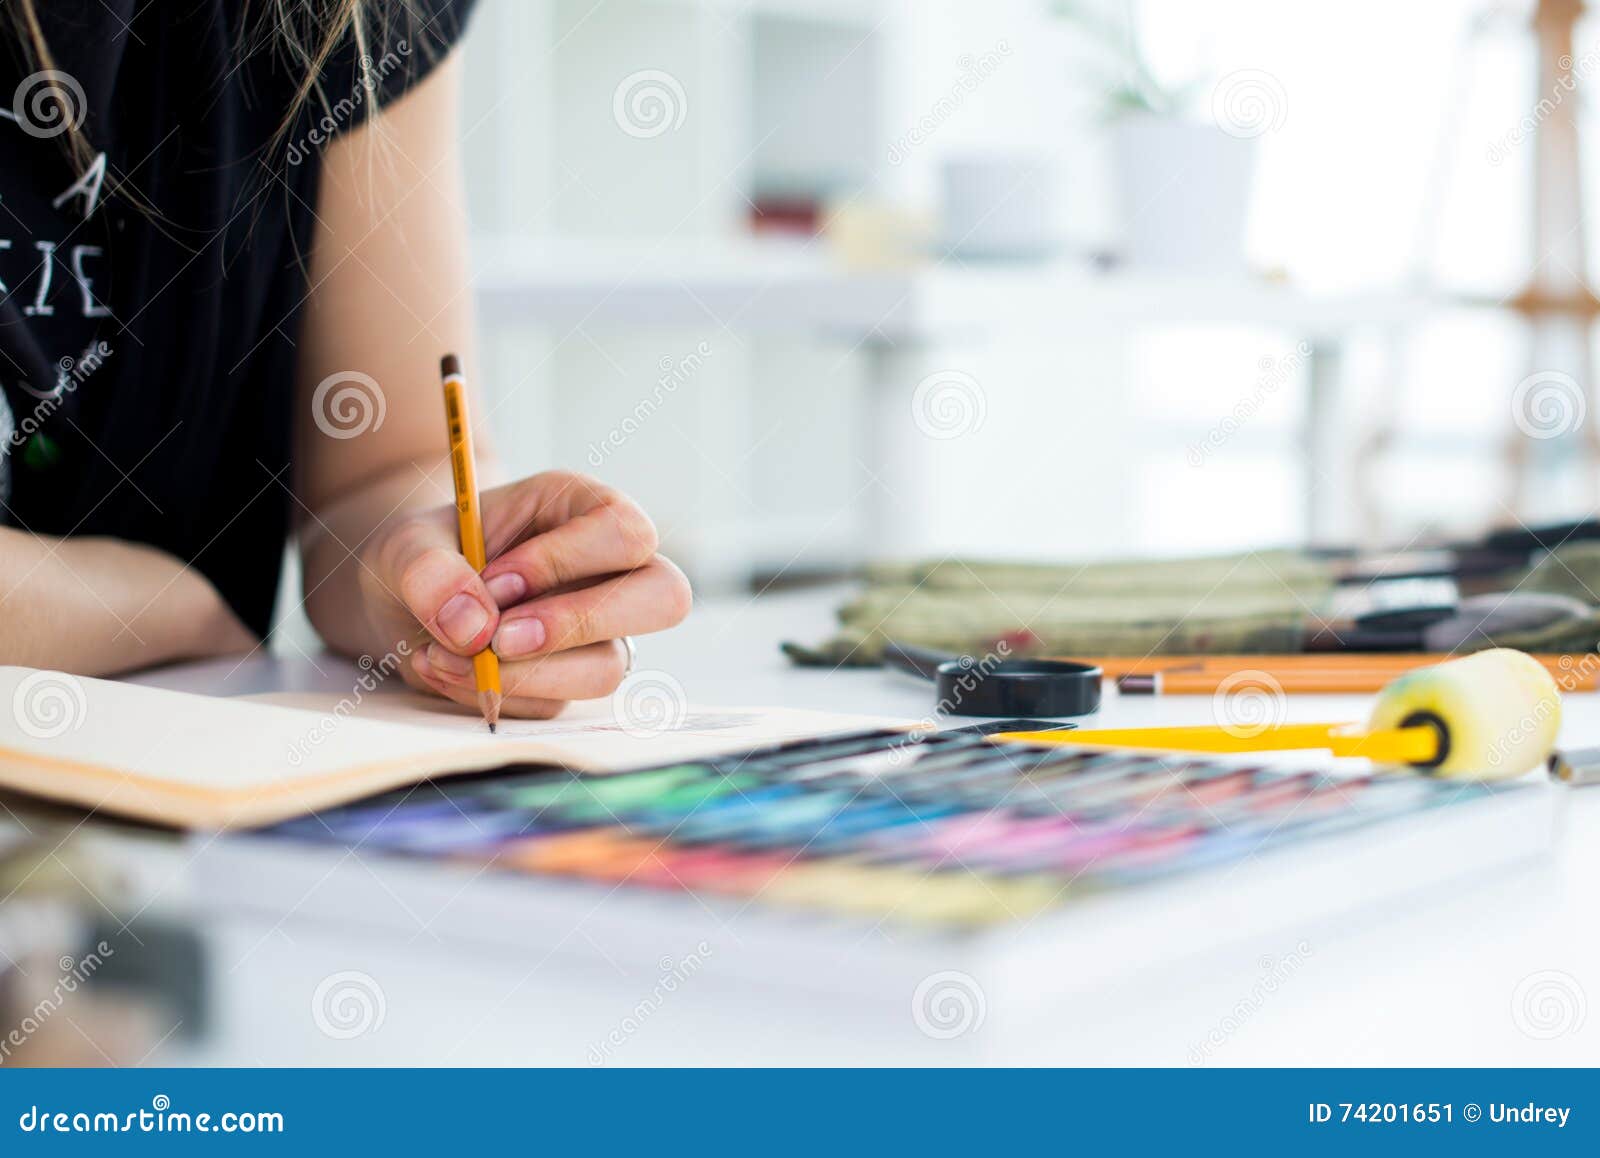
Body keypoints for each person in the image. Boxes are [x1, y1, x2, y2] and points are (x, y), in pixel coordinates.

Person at [0, 0, 690, 719]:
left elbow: (383, 472)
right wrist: (173, 609)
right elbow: (199, 614)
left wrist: (427, 572)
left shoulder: (361, 18)